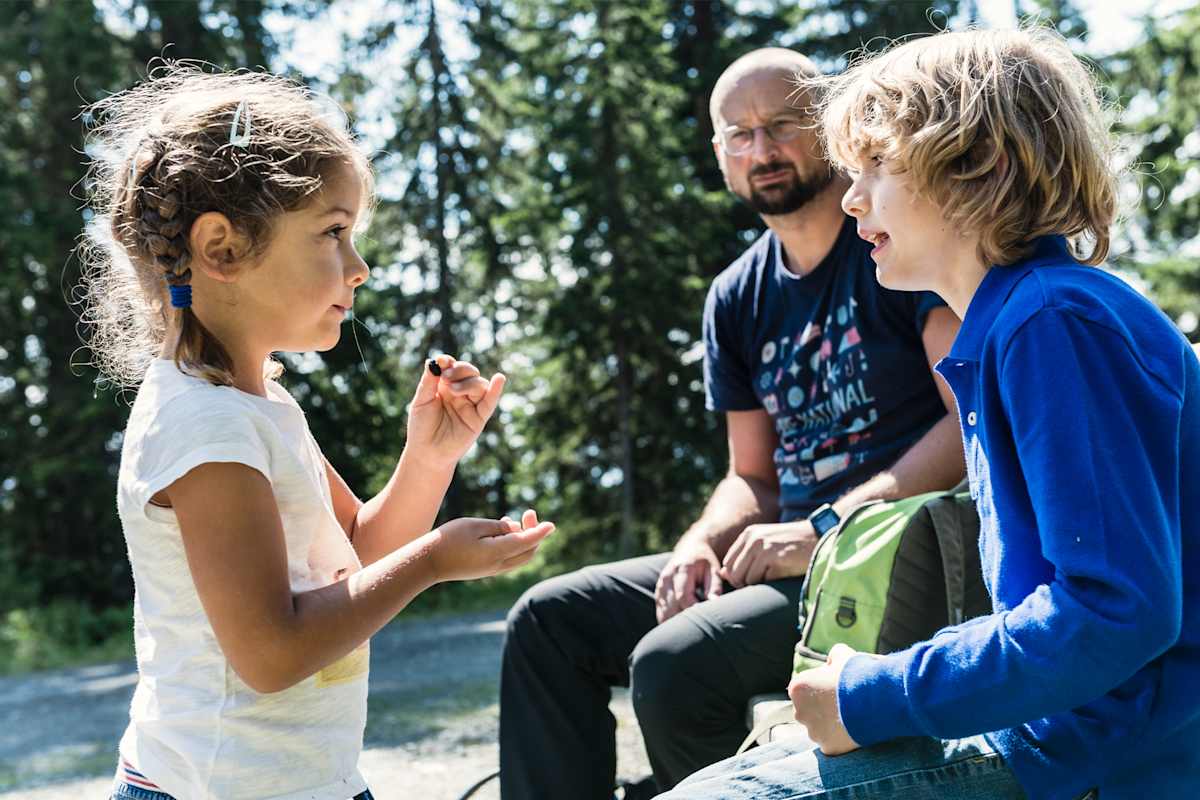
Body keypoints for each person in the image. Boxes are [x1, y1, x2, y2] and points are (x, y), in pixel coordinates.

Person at [657, 27, 1200, 800]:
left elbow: (1116, 611)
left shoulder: (1054, 323)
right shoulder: (1019, 323)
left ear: (982, 169)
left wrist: (873, 694)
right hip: (1053, 736)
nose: (850, 198)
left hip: (1093, 759)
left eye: (876, 166)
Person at [77, 64, 554, 800]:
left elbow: (355, 555)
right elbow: (271, 651)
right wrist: (431, 562)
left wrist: (427, 459)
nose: (358, 268)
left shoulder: (258, 402)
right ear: (222, 250)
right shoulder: (204, 428)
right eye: (333, 233)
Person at [499, 48, 966, 800]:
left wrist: (825, 527)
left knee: (676, 664)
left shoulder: (892, 247)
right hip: (783, 550)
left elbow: (966, 426)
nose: (763, 149)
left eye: (782, 124)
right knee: (550, 621)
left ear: (830, 129)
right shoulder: (736, 295)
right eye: (739, 135)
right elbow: (751, 473)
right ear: (720, 156)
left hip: (890, 557)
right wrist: (696, 546)